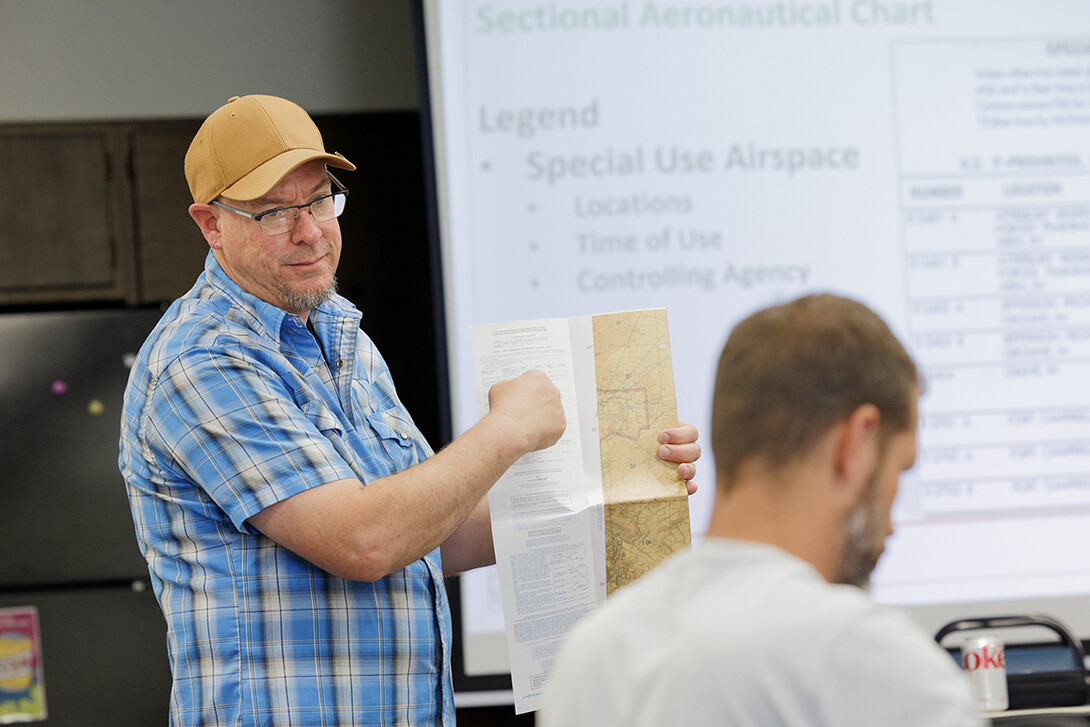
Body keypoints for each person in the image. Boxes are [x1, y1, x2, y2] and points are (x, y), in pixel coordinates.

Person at [117, 94, 699, 726]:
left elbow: (428, 536)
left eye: (318, 199)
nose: (309, 230)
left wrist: (618, 482)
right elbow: (366, 540)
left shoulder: (345, 340)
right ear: (211, 224)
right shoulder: (201, 361)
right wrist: (507, 431)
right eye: (273, 212)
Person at [539, 293, 984, 727]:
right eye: (900, 469)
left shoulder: (588, 657)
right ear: (858, 445)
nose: (892, 525)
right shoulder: (864, 656)